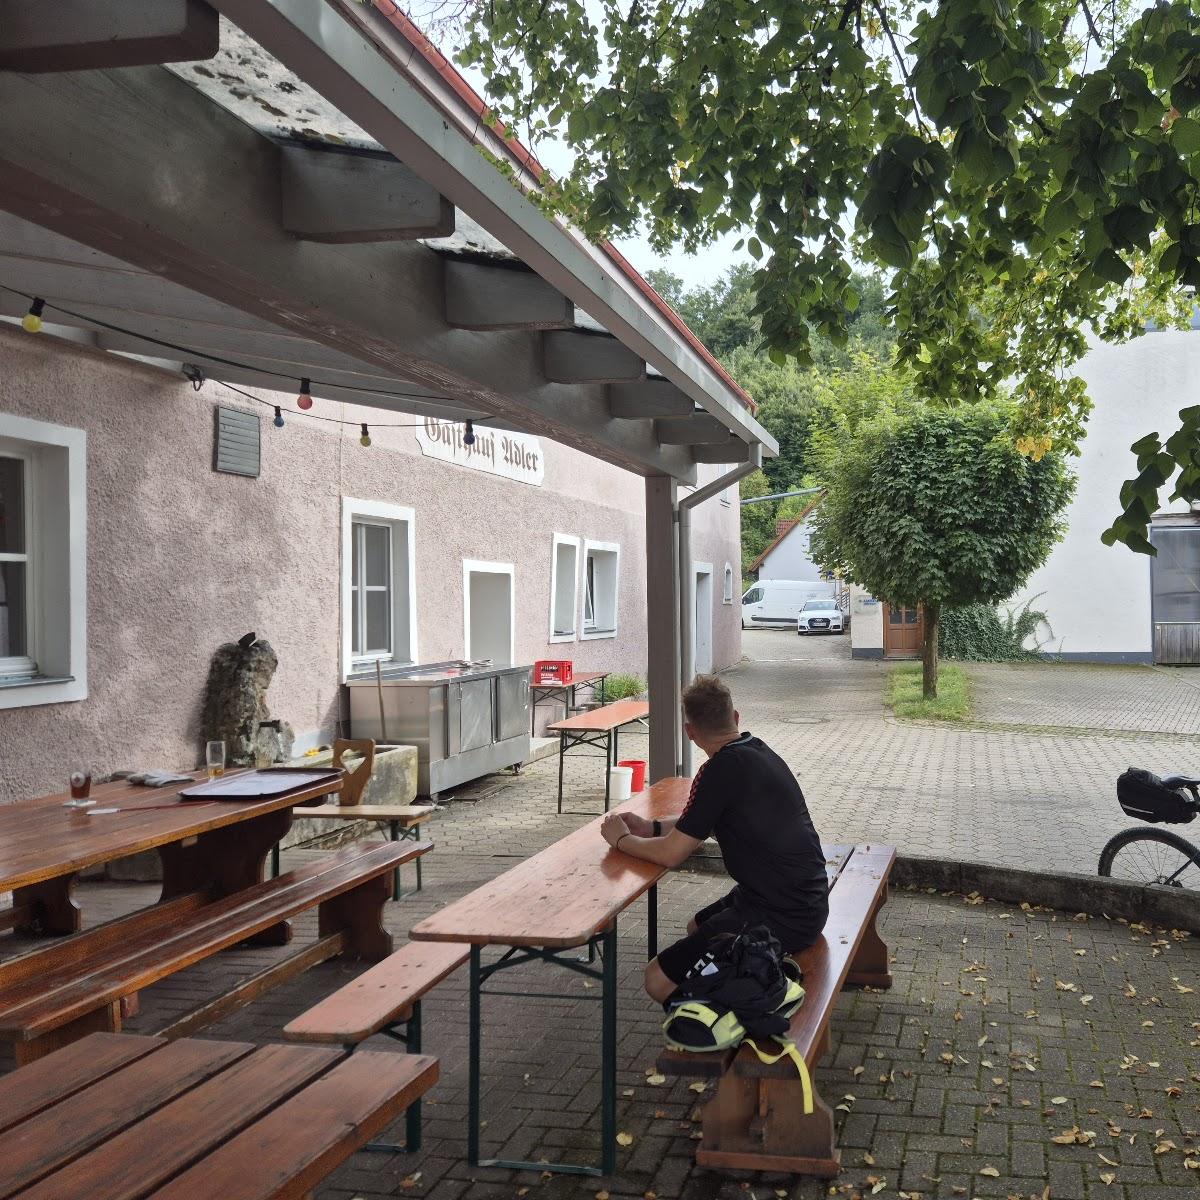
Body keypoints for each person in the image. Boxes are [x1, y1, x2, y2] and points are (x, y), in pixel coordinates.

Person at [600, 674, 829, 1004]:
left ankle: (729, 1014)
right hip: (800, 898)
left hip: (784, 914)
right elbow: (701, 822)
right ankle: (735, 983)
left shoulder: (720, 771)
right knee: (696, 926)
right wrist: (649, 828)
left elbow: (672, 854)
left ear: (690, 733)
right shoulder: (755, 749)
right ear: (735, 718)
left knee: (656, 979)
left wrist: (621, 840)